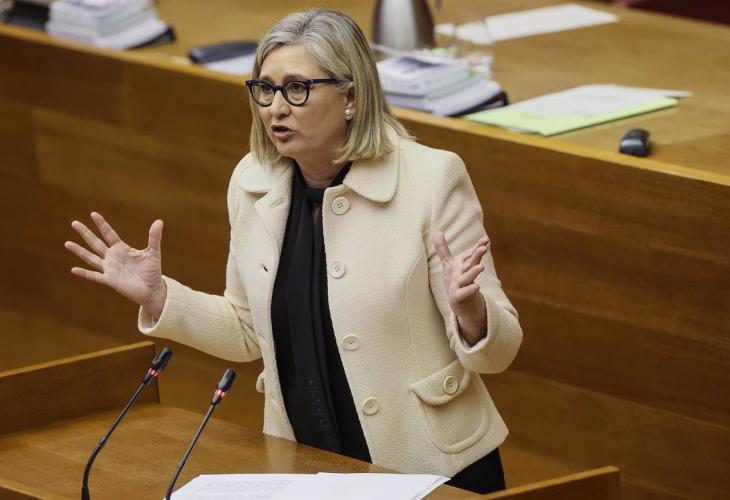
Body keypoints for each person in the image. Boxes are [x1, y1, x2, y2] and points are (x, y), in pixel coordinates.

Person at [64, 9, 522, 494]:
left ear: (350, 97)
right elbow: (247, 330)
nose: (275, 108)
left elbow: (500, 352)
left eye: (297, 89)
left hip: (432, 468)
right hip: (306, 463)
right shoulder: (253, 182)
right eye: (265, 89)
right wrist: (159, 297)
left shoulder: (431, 180)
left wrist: (470, 312)